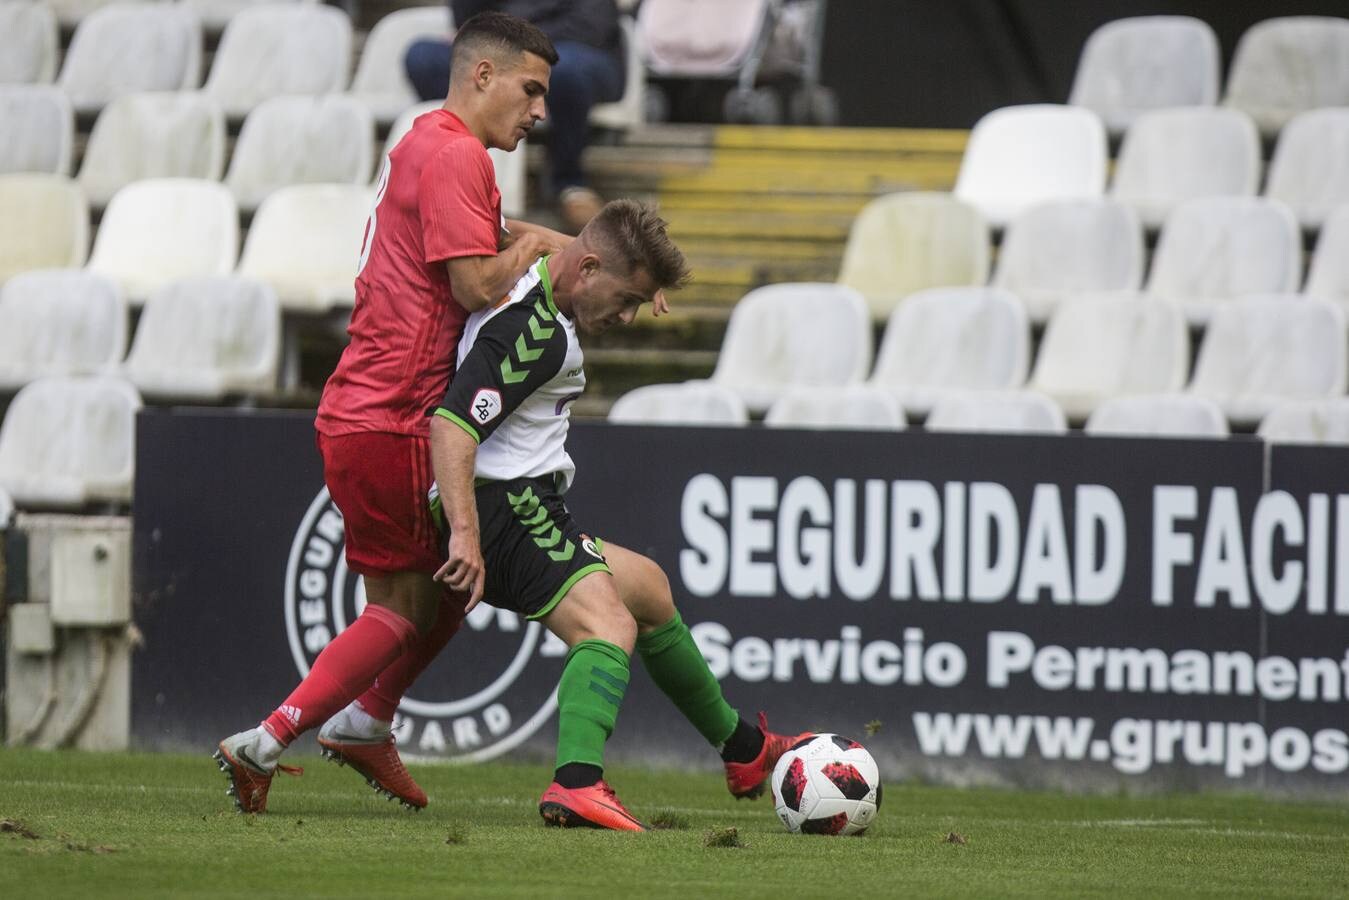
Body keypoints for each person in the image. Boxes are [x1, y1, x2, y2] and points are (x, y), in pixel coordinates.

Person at [214, 12, 577, 815]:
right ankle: (271, 738)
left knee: (446, 592)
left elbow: (481, 237)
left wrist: (549, 241)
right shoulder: (457, 157)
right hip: (396, 416)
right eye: (530, 89)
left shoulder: (425, 141)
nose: (539, 110)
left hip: (360, 409)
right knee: (408, 607)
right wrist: (537, 253)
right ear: (482, 76)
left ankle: (365, 722)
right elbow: (477, 286)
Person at [430, 199, 808, 831]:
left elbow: (537, 236)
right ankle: (576, 784)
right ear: (590, 268)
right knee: (608, 627)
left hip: (525, 501)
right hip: (500, 506)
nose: (629, 317)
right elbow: (450, 427)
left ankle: (744, 752)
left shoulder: (548, 270)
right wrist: (465, 534)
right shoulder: (535, 333)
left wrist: (635, 280)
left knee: (649, 591)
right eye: (627, 300)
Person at [406, 0, 625, 232]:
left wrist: (511, 47)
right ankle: (468, 165)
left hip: (579, 52)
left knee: (563, 72)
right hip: (505, 52)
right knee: (422, 57)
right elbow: (467, 23)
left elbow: (592, 27)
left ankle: (568, 183)